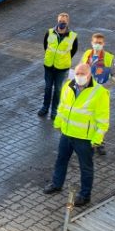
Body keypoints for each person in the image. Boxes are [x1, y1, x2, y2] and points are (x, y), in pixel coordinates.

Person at [43, 63, 110, 207]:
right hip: (67, 133)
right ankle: (56, 183)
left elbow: (103, 120)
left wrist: (97, 139)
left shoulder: (100, 92)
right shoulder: (68, 86)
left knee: (86, 167)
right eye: (77, 73)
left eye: (82, 74)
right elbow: (62, 107)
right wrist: (58, 123)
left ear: (89, 75)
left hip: (84, 139)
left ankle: (85, 195)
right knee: (61, 160)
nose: (79, 76)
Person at [80, 32, 115, 156]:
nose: (97, 45)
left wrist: (104, 86)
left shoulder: (108, 58)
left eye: (100, 43)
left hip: (101, 95)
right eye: (95, 43)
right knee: (86, 117)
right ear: (91, 43)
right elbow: (81, 69)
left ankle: (100, 143)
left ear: (104, 44)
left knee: (100, 120)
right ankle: (86, 140)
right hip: (86, 92)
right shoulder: (87, 54)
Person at [39, 12, 78, 119]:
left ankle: (54, 110)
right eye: (60, 21)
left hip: (62, 68)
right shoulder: (50, 32)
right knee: (47, 88)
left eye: (64, 22)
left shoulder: (72, 36)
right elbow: (45, 46)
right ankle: (45, 107)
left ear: (67, 22)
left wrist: (63, 59)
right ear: (57, 21)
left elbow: (74, 50)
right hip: (49, 66)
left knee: (58, 89)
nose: (62, 23)